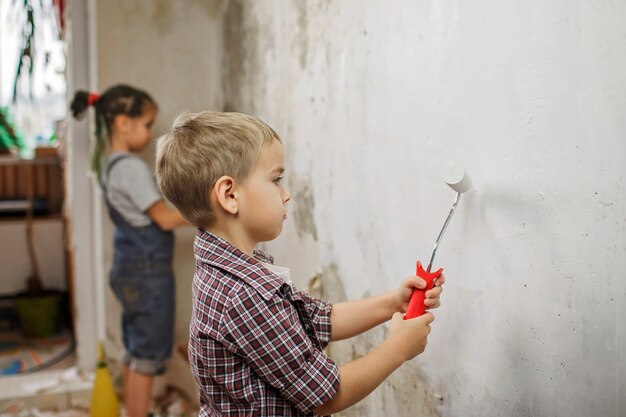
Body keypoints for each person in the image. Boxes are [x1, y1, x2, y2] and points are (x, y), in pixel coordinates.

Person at [155, 111, 444, 416]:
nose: (287, 194)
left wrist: (393, 303)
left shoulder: (233, 267)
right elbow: (326, 397)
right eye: (276, 179)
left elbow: (319, 319)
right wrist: (398, 349)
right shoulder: (246, 295)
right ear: (229, 195)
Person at [71, 85, 188, 417]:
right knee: (147, 353)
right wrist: (206, 211)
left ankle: (136, 411)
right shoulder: (131, 168)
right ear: (124, 124)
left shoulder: (109, 166)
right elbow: (164, 220)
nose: (152, 132)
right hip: (148, 274)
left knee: (136, 349)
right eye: (148, 124)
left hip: (129, 269)